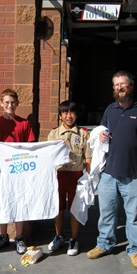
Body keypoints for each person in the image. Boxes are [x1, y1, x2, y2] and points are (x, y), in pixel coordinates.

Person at [86, 70, 137, 269]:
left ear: (131, 86)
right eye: (116, 85)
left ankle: (135, 249)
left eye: (123, 84)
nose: (120, 87)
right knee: (106, 213)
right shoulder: (110, 109)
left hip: (133, 175)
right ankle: (104, 244)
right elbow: (100, 132)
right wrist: (101, 136)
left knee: (133, 216)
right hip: (108, 174)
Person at [0, 88, 36, 255]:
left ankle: (19, 237)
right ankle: (3, 235)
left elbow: (31, 148)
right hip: (1, 171)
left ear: (17, 104)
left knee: (20, 201)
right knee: (2, 200)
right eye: (6, 102)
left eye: (12, 102)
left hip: (19, 170)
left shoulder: (24, 124)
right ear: (1, 103)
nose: (10, 105)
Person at [47, 100, 92, 256]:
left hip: (76, 176)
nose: (68, 116)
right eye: (65, 113)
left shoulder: (83, 133)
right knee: (58, 208)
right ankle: (58, 236)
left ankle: (74, 239)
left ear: (76, 115)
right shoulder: (53, 134)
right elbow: (48, 156)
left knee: (75, 209)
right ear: (60, 116)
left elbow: (88, 157)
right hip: (58, 176)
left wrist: (88, 177)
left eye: (72, 112)